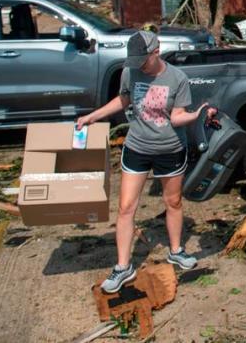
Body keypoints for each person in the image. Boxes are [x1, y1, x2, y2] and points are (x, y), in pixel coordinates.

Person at [76, 30, 215, 293]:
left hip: (170, 149)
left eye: (143, 59)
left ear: (156, 51)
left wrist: (195, 115)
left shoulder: (177, 78)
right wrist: (93, 117)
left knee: (172, 201)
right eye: (134, 60)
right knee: (126, 207)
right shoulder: (130, 70)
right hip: (137, 147)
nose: (138, 64)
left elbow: (176, 117)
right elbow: (124, 99)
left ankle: (176, 250)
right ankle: (122, 266)